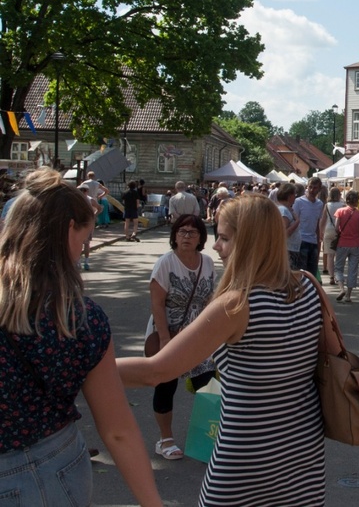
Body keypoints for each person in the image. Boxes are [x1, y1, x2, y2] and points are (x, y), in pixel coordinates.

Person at [118, 194, 326, 506]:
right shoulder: (309, 286)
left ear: (250, 243)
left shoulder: (236, 304)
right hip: (304, 449)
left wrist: (83, 366)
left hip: (248, 455)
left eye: (225, 238)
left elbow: (157, 371)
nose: (216, 246)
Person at [0, 168, 161, 506]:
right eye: (84, 238)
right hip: (46, 469)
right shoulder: (78, 318)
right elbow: (117, 430)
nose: (82, 249)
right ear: (69, 230)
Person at [148, 213, 217, 461]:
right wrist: (165, 339)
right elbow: (157, 304)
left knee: (208, 386)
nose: (186, 236)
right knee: (166, 385)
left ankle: (208, 439)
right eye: (182, 232)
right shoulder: (166, 263)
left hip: (198, 333)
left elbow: (210, 300)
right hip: (170, 329)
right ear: (174, 236)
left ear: (201, 237)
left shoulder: (207, 262)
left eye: (192, 232)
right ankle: (165, 440)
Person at [334, 190, 359, 302]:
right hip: (355, 244)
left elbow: (337, 229)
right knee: (352, 270)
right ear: (356, 201)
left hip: (342, 243)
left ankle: (341, 288)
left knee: (339, 268)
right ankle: (348, 295)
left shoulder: (340, 212)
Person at [294, 178, 325, 279]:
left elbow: (317, 224)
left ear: (319, 189)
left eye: (315, 188)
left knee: (312, 273)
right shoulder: (298, 202)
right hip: (301, 241)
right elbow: (294, 221)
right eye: (310, 187)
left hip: (313, 242)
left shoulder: (319, 204)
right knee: (302, 273)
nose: (312, 190)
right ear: (307, 187)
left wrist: (318, 243)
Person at [77, 183, 103, 270]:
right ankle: (86, 262)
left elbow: (99, 208)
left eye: (83, 190)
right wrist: (94, 215)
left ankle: (79, 262)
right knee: (86, 243)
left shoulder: (77, 200)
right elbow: (99, 208)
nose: (82, 192)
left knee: (79, 242)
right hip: (87, 222)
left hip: (80, 222)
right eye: (82, 190)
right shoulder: (90, 199)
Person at [277, 183, 302, 269]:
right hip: (289, 250)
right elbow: (285, 233)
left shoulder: (287, 209)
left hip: (292, 249)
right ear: (289, 196)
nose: (295, 197)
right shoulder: (283, 210)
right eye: (294, 194)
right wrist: (297, 222)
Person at [322, 187, 344, 285]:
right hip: (339, 230)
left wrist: (320, 232)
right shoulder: (342, 205)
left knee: (330, 255)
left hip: (328, 230)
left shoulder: (327, 205)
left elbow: (323, 220)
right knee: (339, 255)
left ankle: (331, 277)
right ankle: (339, 275)